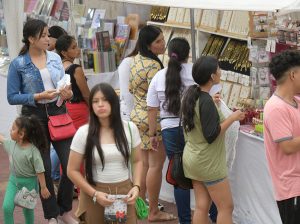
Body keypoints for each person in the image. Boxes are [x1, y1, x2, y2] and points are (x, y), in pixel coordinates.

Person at [6, 19, 76, 224]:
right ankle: (52, 215)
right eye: (43, 35)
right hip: (34, 118)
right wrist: (36, 96)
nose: (48, 39)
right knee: (43, 168)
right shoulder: (18, 64)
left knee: (70, 164)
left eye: (48, 35)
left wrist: (68, 93)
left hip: (59, 112)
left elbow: (66, 88)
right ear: (31, 39)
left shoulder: (54, 58)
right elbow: (12, 96)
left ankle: (65, 210)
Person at [181, 56, 245, 224]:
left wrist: (212, 104)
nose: (220, 71)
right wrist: (233, 117)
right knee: (226, 207)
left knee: (202, 206)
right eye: (218, 69)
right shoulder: (205, 100)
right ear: (212, 76)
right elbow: (212, 134)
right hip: (208, 162)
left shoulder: (192, 95)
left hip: (193, 158)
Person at [67, 83, 143, 224]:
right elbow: (72, 170)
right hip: (94, 192)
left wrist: (136, 186)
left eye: (105, 100)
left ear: (114, 102)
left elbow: (138, 161)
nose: (100, 105)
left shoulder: (130, 128)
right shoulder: (84, 132)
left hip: (125, 191)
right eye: (95, 101)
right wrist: (95, 194)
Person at [129, 25, 175, 221]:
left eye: (163, 39)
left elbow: (131, 89)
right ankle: (153, 211)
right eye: (158, 41)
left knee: (145, 165)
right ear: (148, 44)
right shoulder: (155, 66)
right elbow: (158, 98)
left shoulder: (136, 60)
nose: (163, 44)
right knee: (155, 166)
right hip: (152, 119)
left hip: (137, 115)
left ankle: (140, 204)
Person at [147, 37, 193, 223]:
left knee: (179, 176)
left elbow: (152, 108)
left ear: (168, 53)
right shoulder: (195, 72)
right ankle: (213, 216)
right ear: (188, 54)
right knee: (202, 174)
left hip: (169, 130)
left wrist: (152, 135)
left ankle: (185, 220)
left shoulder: (159, 76)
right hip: (193, 128)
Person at [264, 50, 300, 224]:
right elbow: (288, 146)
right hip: (291, 188)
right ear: (293, 75)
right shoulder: (276, 108)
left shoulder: (296, 102)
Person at [1, 115, 51, 224]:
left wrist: (43, 187)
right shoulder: (10, 144)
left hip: (29, 184)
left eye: (13, 129)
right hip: (13, 181)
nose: (10, 130)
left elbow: (40, 171)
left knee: (27, 210)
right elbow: (2, 138)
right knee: (6, 207)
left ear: (21, 134)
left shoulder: (33, 152)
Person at [55, 34, 90, 129]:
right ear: (64, 53)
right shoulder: (75, 69)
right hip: (79, 109)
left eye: (77, 46)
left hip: (64, 109)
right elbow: (86, 94)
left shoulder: (58, 68)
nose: (78, 49)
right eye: (73, 47)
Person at [119, 44, 138, 121]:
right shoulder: (128, 62)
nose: (163, 43)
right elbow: (126, 92)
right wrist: (132, 114)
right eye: (158, 41)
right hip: (131, 113)